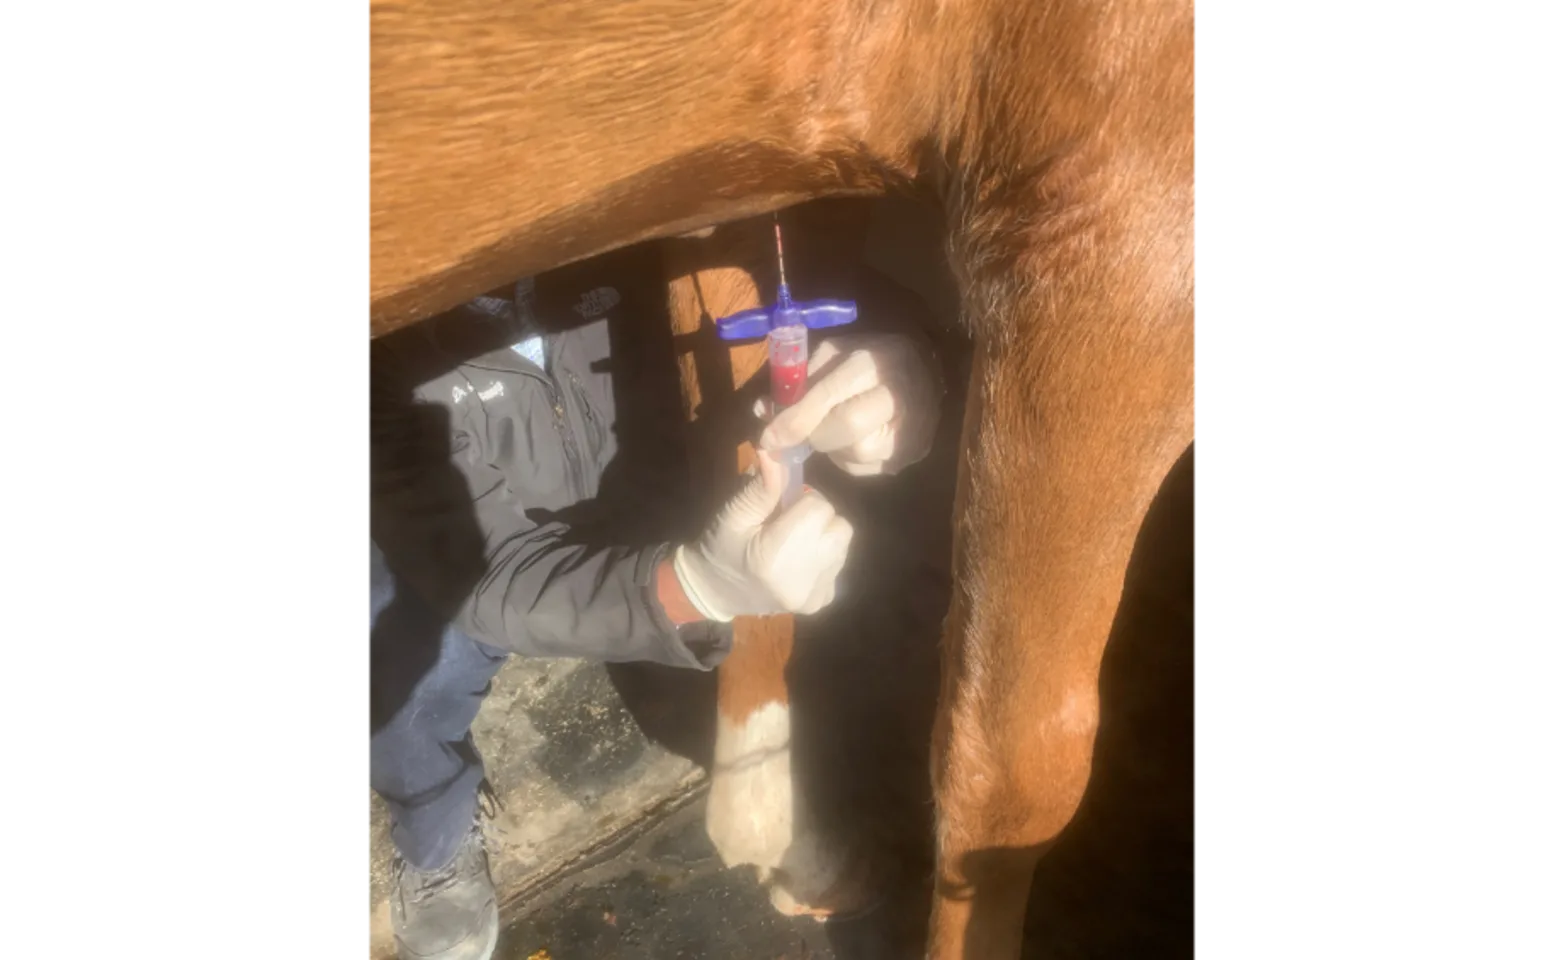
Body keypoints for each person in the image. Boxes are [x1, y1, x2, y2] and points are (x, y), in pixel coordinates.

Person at [368, 244, 943, 960]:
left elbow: (783, 262)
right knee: (397, 662)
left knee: (823, 572)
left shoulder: (633, 214)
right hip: (482, 545)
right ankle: (435, 834)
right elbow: (489, 580)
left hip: (652, 516)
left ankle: (822, 776)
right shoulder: (387, 336)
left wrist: (903, 359)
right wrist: (692, 586)